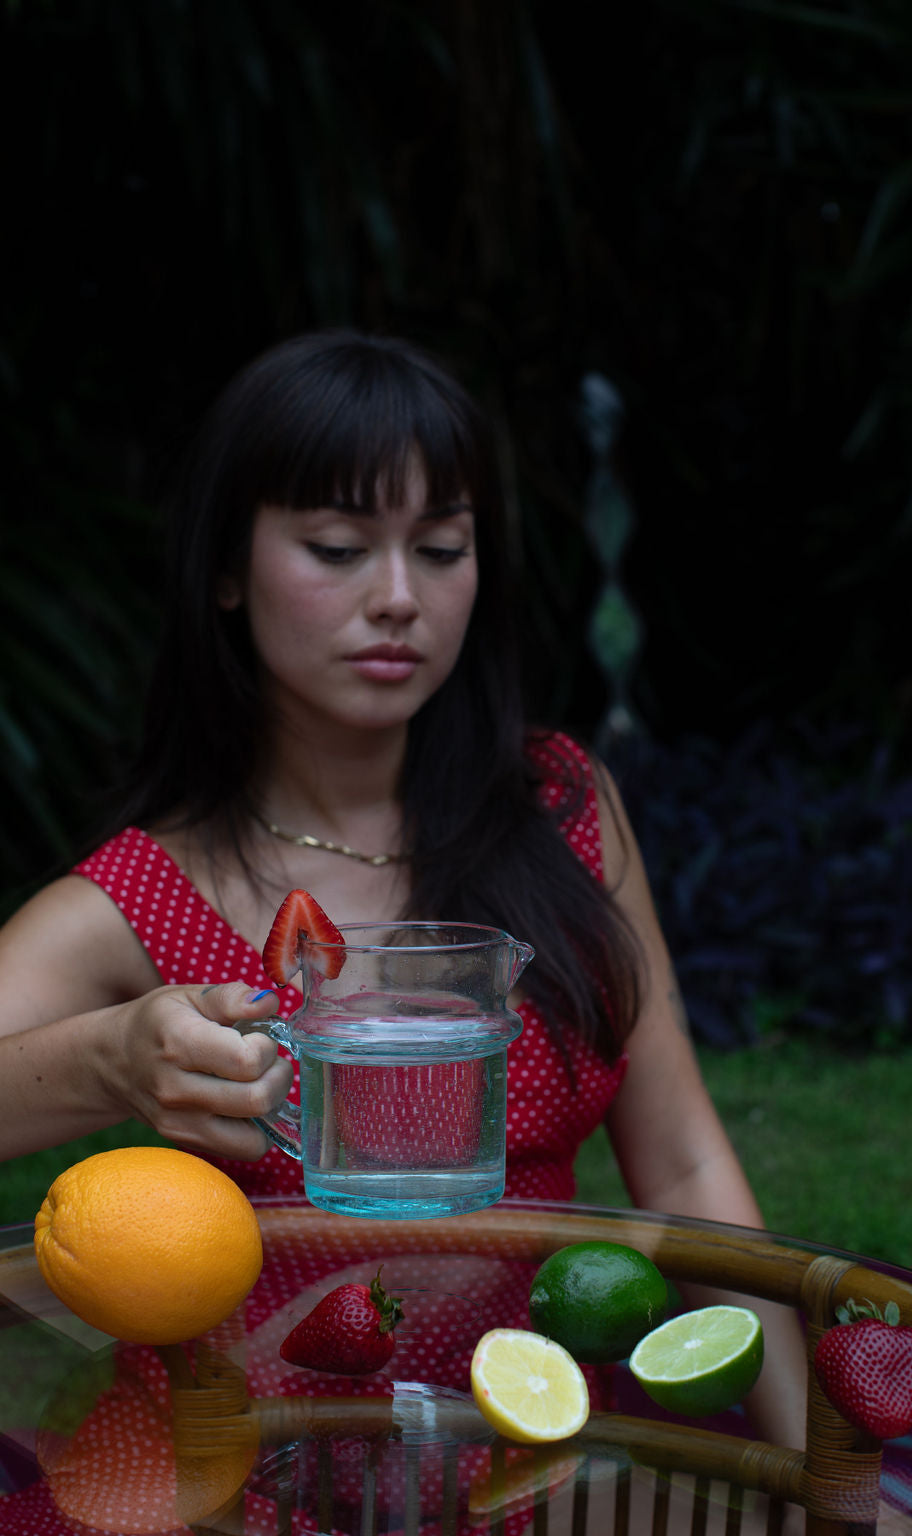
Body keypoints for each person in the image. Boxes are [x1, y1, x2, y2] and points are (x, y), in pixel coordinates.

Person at [0, 329, 805, 1445]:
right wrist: (106, 1060)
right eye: (337, 547)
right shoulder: (143, 893)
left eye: (440, 548)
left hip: (535, 1440)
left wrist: (831, 1478)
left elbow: (684, 1160)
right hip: (239, 1465)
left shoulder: (562, 809)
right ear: (225, 569)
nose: (396, 597)